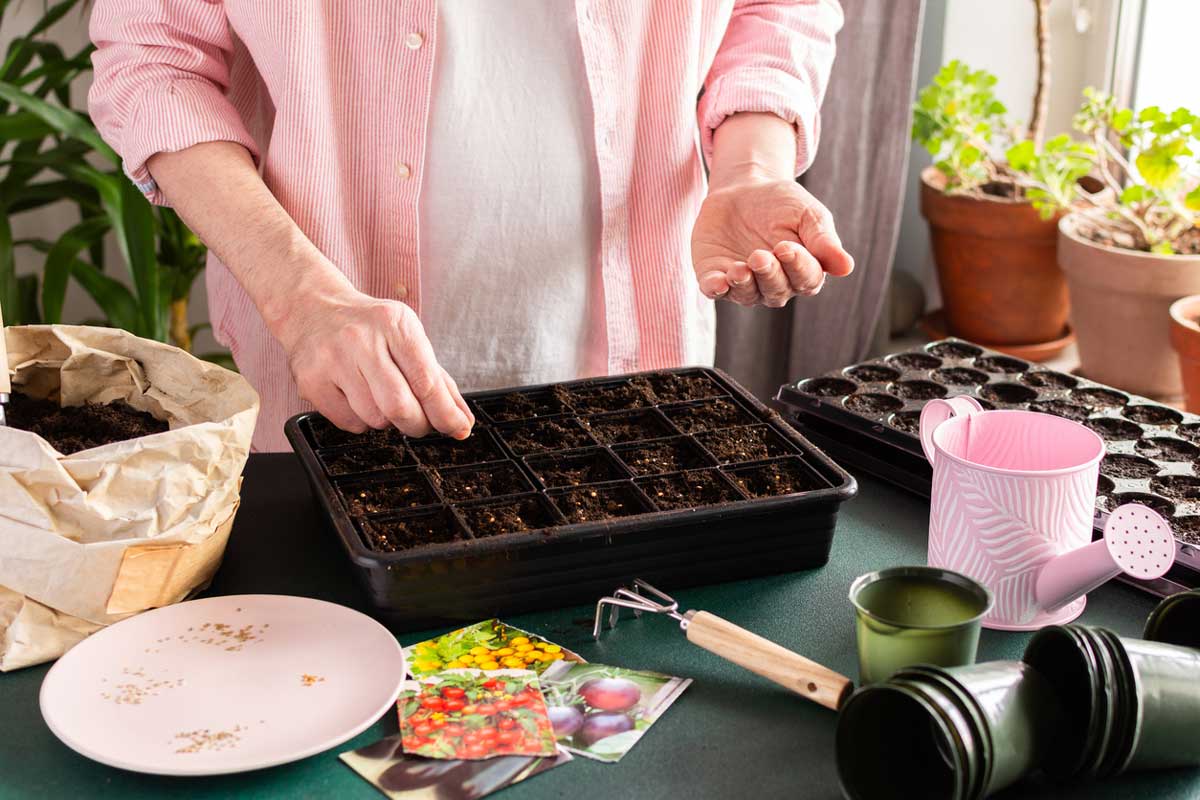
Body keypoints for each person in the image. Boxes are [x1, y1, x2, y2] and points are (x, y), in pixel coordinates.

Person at [89, 1, 853, 452]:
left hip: (639, 377)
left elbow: (775, 8)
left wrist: (751, 166)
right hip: (329, 378)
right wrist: (300, 299)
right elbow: (155, 60)